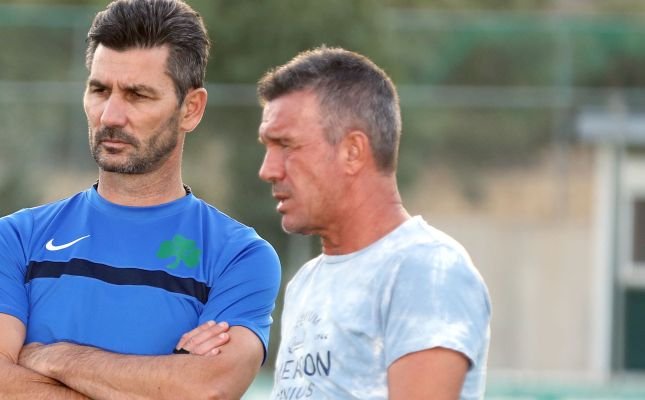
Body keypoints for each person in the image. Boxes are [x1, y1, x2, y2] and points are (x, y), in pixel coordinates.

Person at [0, 0, 281, 399]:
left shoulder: (238, 256)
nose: (110, 116)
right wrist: (157, 384)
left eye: (137, 95)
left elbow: (208, 388)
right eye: (100, 90)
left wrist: (55, 357)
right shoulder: (15, 239)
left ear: (191, 109)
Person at [257, 46, 491, 400]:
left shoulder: (426, 270)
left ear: (352, 151)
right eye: (267, 147)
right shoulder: (305, 282)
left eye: (286, 145)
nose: (268, 170)